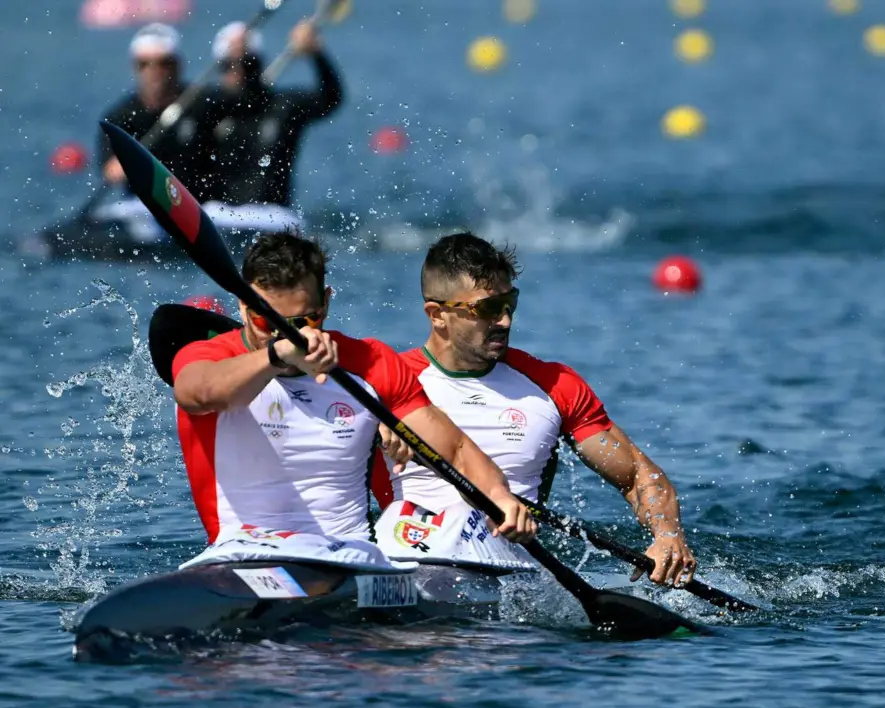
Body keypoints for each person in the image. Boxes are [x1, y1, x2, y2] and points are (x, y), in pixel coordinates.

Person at [171, 231, 534, 569]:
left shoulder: (370, 363)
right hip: (241, 554)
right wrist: (276, 357)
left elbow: (454, 451)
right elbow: (195, 394)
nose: (289, 335)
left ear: (325, 304)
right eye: (269, 323)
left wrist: (500, 496)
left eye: (305, 321)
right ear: (243, 307)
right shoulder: (210, 357)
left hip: (350, 562)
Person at [372, 233, 699, 587]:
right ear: (437, 315)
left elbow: (637, 474)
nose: (505, 321)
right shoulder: (381, 386)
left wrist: (668, 536)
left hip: (513, 583)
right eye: (487, 309)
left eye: (509, 303)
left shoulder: (553, 386)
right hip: (404, 566)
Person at [203, 18, 343, 208]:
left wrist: (316, 53)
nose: (238, 72)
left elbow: (331, 99)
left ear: (259, 63)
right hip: (218, 217)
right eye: (229, 65)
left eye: (248, 63)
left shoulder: (284, 107)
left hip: (272, 216)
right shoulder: (206, 109)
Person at [97, 24, 220, 202]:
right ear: (134, 68)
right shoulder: (120, 117)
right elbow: (109, 170)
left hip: (202, 204)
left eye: (163, 63)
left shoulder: (203, 103)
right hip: (145, 207)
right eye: (144, 64)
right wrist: (116, 167)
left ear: (178, 66)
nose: (153, 72)